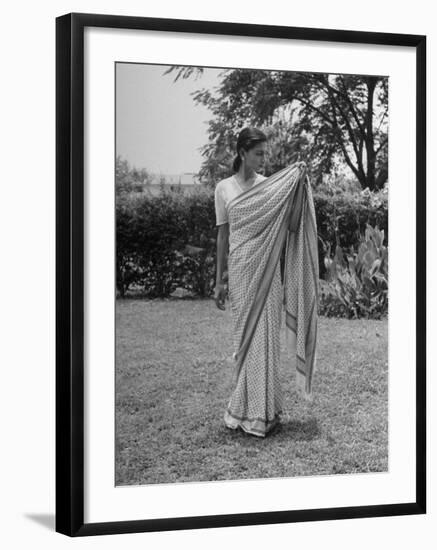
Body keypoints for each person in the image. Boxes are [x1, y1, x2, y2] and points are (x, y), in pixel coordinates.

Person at [213, 127, 319, 438]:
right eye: (258, 153)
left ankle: (265, 411)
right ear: (242, 152)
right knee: (245, 338)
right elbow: (222, 235)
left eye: (265, 153)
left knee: (267, 336)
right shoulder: (224, 189)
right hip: (241, 268)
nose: (263, 159)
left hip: (267, 270)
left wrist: (299, 179)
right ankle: (244, 408)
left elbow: (291, 219)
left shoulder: (269, 187)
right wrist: (218, 280)